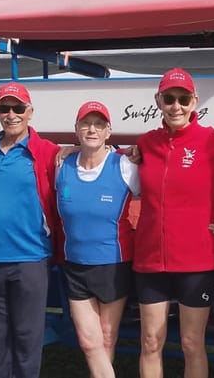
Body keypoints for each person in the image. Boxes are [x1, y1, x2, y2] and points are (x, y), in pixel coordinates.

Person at [134, 68, 214, 378]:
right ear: (158, 101)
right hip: (151, 261)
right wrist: (66, 154)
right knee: (151, 341)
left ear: (195, 102)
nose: (176, 106)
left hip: (196, 261)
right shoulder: (146, 143)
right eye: (169, 99)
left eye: (183, 99)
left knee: (192, 342)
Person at [0, 82, 61, 378]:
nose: (11, 114)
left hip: (30, 260)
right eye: (4, 108)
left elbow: (88, 159)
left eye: (18, 108)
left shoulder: (46, 151)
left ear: (30, 112)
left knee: (27, 339)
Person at [56, 101, 140, 378]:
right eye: (86, 124)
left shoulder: (126, 165)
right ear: (76, 130)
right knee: (88, 341)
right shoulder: (61, 164)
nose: (92, 129)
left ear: (108, 131)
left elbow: (159, 195)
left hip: (113, 264)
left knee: (105, 337)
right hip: (75, 265)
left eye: (99, 124)